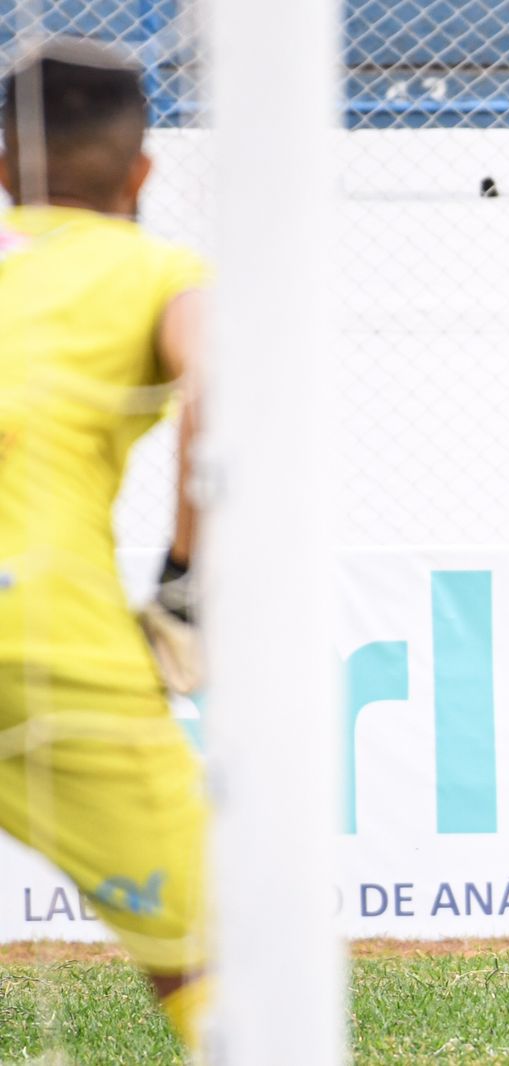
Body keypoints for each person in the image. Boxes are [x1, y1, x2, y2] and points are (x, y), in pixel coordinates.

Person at [0, 39, 208, 1044]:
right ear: (142, 171)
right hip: (42, 637)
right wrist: (184, 582)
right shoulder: (156, 270)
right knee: (216, 964)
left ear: (5, 169)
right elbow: (224, 394)